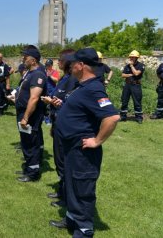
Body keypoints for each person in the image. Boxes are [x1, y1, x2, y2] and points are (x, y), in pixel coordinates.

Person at [50, 48, 120, 238]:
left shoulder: (94, 88)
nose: (70, 67)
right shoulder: (83, 86)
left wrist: (97, 141)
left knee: (82, 190)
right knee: (72, 187)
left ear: (81, 66)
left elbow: (112, 117)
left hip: (83, 153)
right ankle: (72, 219)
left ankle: (83, 230)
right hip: (71, 149)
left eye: (73, 64)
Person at [41, 49, 77, 208]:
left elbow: (70, 104)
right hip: (57, 123)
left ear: (68, 61)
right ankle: (62, 191)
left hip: (66, 127)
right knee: (59, 160)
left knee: (64, 163)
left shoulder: (73, 80)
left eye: (60, 60)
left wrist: (53, 102)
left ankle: (66, 198)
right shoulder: (65, 78)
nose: (58, 63)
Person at [14, 48, 47, 182]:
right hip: (23, 112)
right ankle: (28, 168)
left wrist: (26, 117)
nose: (23, 59)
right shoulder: (30, 73)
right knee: (26, 141)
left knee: (30, 143)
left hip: (30, 115)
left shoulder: (38, 75)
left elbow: (34, 98)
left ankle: (33, 173)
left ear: (33, 60)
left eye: (25, 57)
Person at [119, 50, 145, 123]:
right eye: (130, 57)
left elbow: (136, 73)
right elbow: (122, 75)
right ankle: (123, 116)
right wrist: (130, 75)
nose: (131, 58)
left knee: (137, 101)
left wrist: (131, 66)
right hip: (127, 85)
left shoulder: (141, 65)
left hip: (136, 85)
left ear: (137, 58)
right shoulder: (126, 66)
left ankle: (139, 117)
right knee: (124, 101)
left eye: (133, 57)